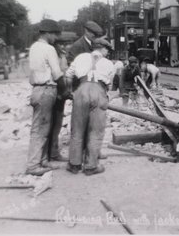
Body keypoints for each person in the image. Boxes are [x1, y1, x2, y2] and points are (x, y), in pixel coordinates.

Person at [65, 39, 115, 175]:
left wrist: (70, 91)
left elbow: (68, 76)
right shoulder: (109, 63)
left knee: (77, 129)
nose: (108, 53)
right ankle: (91, 166)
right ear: (103, 49)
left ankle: (74, 165)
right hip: (99, 91)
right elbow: (110, 85)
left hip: (81, 90)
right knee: (96, 130)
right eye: (107, 50)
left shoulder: (80, 57)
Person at [26, 19, 66, 176]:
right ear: (48, 33)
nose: (56, 38)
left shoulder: (34, 47)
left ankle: (42, 161)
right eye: (54, 35)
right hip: (46, 90)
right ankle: (33, 165)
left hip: (37, 89)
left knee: (44, 127)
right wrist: (64, 91)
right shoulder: (49, 49)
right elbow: (57, 73)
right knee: (40, 129)